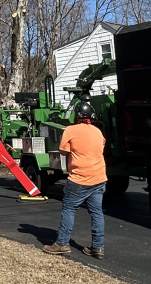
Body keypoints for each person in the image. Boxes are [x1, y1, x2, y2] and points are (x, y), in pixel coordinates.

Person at [43, 100, 107, 259]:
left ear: (76, 116)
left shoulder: (70, 130)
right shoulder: (98, 132)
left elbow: (63, 152)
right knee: (96, 212)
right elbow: (100, 148)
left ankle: (62, 243)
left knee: (69, 209)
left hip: (79, 178)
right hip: (99, 177)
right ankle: (98, 248)